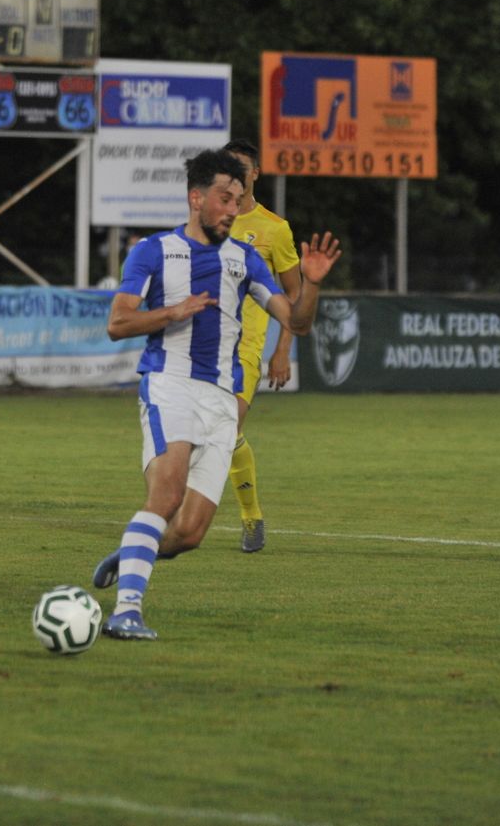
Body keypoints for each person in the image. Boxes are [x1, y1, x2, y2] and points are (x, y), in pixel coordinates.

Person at [92, 149, 342, 640]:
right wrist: (171, 312)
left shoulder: (245, 258)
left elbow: (296, 322)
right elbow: (118, 323)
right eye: (225, 200)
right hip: (170, 384)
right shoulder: (153, 251)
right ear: (196, 198)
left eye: (238, 200)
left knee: (188, 534)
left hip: (222, 400)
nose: (234, 209)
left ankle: (131, 551)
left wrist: (310, 286)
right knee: (165, 496)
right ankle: (126, 612)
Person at [221, 139, 301, 553]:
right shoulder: (208, 219)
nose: (235, 174)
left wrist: (282, 348)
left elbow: (294, 293)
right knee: (197, 434)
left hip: (244, 347)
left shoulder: (274, 228)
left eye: (242, 167)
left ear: (255, 173)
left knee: (229, 426)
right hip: (200, 346)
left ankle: (252, 519)